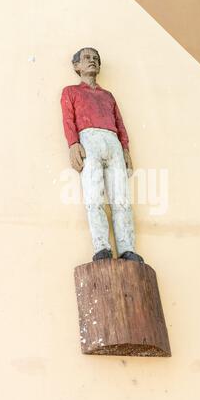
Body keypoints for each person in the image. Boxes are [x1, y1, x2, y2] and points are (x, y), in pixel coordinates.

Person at [61, 47, 144, 263]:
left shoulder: (108, 96)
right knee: (93, 195)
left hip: (112, 141)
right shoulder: (70, 92)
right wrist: (73, 143)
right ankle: (102, 247)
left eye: (96, 59)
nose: (92, 61)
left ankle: (127, 247)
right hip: (88, 140)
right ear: (76, 66)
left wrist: (125, 148)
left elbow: (120, 124)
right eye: (87, 58)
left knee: (121, 197)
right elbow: (68, 119)